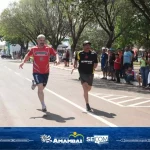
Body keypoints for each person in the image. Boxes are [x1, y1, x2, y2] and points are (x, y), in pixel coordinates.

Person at [19, 34, 60, 112]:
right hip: (36, 71)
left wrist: (57, 59)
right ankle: (43, 105)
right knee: (40, 88)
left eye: (43, 40)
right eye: (40, 40)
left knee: (42, 87)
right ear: (37, 41)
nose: (42, 42)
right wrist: (22, 62)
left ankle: (35, 83)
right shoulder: (33, 49)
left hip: (46, 72)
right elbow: (27, 56)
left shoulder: (48, 49)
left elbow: (56, 53)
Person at [73, 41, 98, 112]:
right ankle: (87, 105)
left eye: (89, 45)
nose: (87, 47)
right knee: (85, 89)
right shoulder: (79, 53)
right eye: (86, 45)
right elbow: (76, 60)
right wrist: (75, 65)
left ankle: (85, 95)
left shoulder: (94, 54)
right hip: (82, 73)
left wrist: (95, 65)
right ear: (83, 46)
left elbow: (96, 62)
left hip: (90, 73)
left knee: (89, 88)